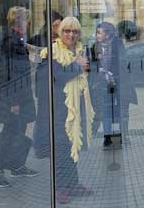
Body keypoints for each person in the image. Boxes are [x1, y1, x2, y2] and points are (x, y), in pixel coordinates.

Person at [35, 16, 93, 204]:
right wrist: (78, 66)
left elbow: (84, 76)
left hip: (75, 109)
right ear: (61, 33)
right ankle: (60, 188)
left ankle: (73, 184)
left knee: (72, 147)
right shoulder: (50, 53)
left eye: (75, 31)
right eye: (67, 31)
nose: (71, 35)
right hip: (57, 110)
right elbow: (56, 77)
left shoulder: (79, 50)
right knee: (60, 150)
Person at [0, 7, 39, 188]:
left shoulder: (18, 41)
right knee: (9, 134)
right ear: (18, 23)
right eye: (26, 21)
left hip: (21, 96)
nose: (28, 25)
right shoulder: (10, 42)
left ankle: (17, 165)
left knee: (19, 132)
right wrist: (13, 102)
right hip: (15, 99)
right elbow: (8, 74)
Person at [90, 21, 137, 148]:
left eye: (100, 33)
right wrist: (99, 73)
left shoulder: (117, 45)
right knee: (106, 111)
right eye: (97, 33)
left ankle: (123, 136)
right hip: (104, 84)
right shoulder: (95, 47)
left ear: (107, 34)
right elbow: (92, 66)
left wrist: (111, 72)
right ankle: (107, 137)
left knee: (122, 111)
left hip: (119, 83)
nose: (97, 35)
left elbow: (123, 63)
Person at [31, 10, 64, 159]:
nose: (57, 28)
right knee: (43, 116)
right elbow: (34, 58)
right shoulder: (40, 39)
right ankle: (41, 147)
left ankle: (52, 144)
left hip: (58, 84)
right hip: (45, 84)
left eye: (59, 24)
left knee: (56, 116)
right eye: (55, 25)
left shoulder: (62, 39)